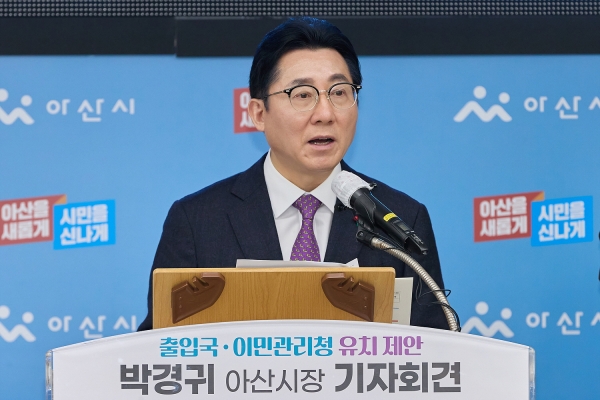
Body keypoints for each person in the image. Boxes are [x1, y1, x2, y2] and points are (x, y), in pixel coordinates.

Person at [138, 17, 449, 331]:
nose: (325, 114)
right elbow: (159, 346)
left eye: (339, 92)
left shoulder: (400, 219)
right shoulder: (197, 221)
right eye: (302, 95)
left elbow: (434, 348)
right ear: (259, 113)